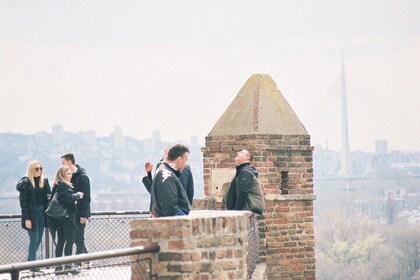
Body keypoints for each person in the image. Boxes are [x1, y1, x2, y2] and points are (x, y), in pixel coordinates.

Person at [16, 161, 51, 266]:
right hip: (31, 214)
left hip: (41, 213)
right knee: (34, 240)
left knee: (39, 239)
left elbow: (48, 198)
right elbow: (24, 204)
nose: (39, 170)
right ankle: (32, 266)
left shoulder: (43, 183)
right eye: (36, 168)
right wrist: (27, 219)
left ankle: (29, 263)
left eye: (40, 168)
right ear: (31, 169)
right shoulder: (26, 183)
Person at [50, 166, 83, 275]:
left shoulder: (57, 185)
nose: (70, 175)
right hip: (67, 218)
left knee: (61, 242)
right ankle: (68, 266)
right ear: (63, 175)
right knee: (70, 241)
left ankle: (59, 267)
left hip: (59, 218)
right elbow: (66, 200)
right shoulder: (64, 185)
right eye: (68, 174)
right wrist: (77, 195)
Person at [61, 153, 91, 256]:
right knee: (75, 237)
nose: (62, 165)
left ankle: (79, 262)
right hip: (72, 212)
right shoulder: (69, 176)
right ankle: (85, 258)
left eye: (63, 163)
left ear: (69, 162)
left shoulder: (82, 177)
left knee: (78, 238)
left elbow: (86, 198)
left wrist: (83, 215)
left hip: (79, 212)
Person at [150, 144, 191, 217]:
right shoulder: (166, 176)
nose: (186, 165)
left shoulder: (166, 172)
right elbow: (169, 209)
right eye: (186, 161)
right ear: (179, 160)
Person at [225, 150, 265, 215]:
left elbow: (243, 192)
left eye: (241, 152)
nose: (238, 153)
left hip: (246, 209)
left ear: (247, 158)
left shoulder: (246, 172)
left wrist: (237, 211)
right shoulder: (241, 172)